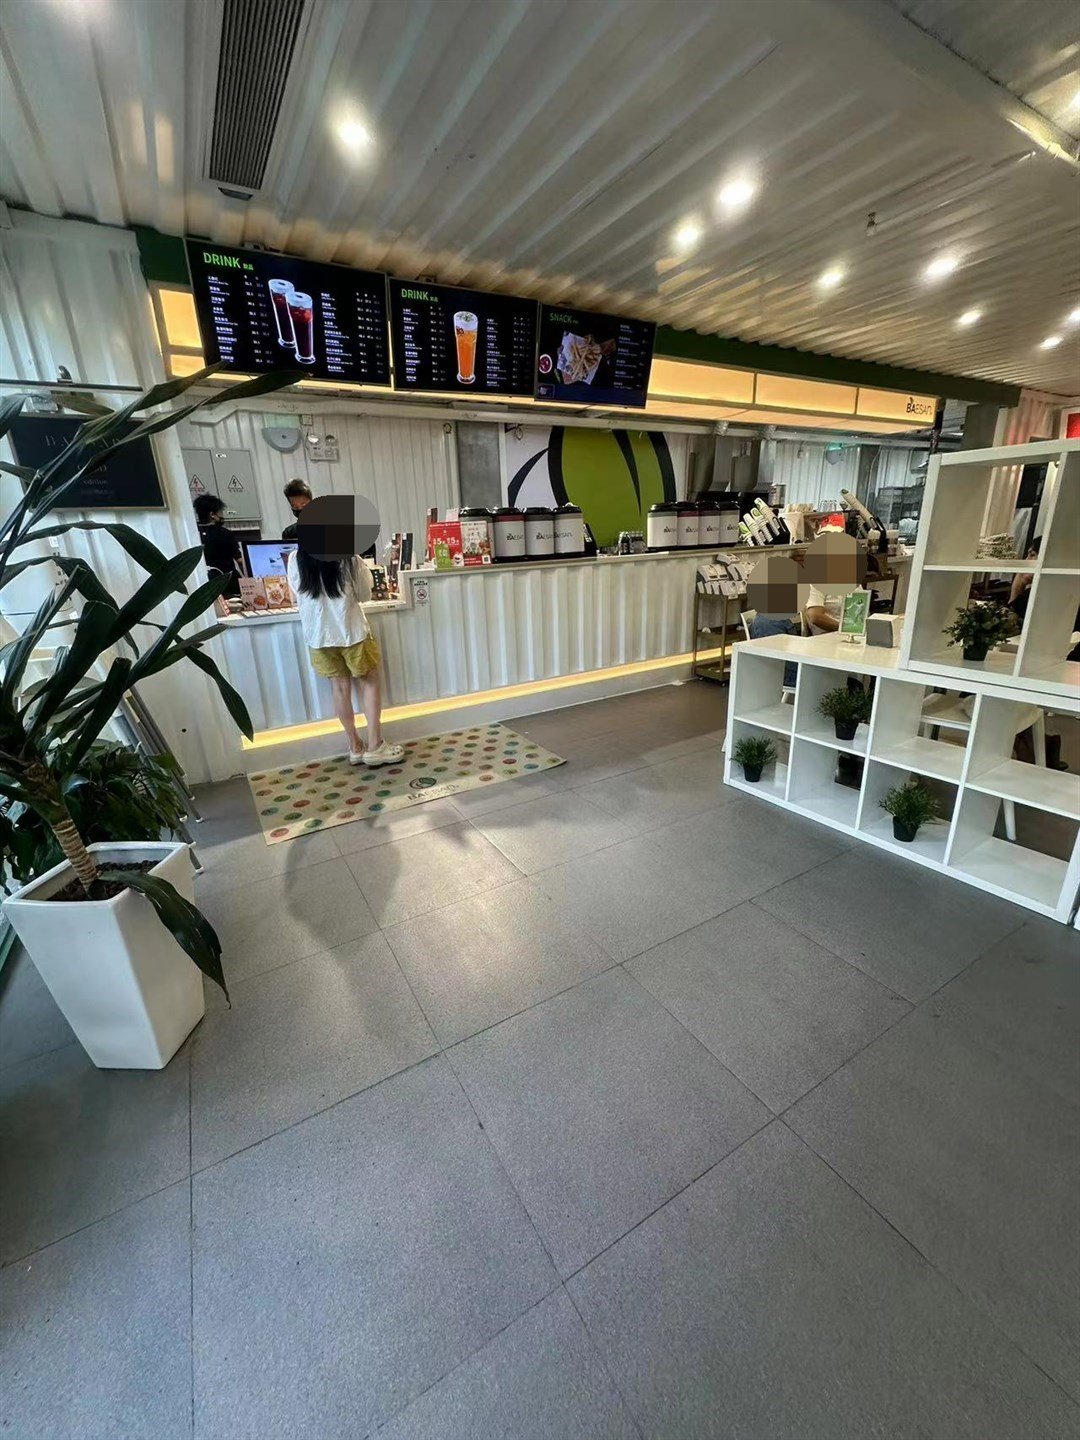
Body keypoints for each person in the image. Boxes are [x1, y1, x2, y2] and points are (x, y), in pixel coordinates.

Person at [285, 547, 403, 766]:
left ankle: (355, 747)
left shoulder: (295, 558)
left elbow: (297, 593)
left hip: (319, 636)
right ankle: (375, 746)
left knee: (339, 689)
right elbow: (365, 595)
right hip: (352, 632)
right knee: (369, 683)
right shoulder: (349, 558)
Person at [193, 492, 241, 597]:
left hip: (205, 585)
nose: (222, 516)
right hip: (228, 584)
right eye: (220, 512)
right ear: (212, 515)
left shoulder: (193, 535)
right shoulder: (225, 534)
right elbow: (240, 560)